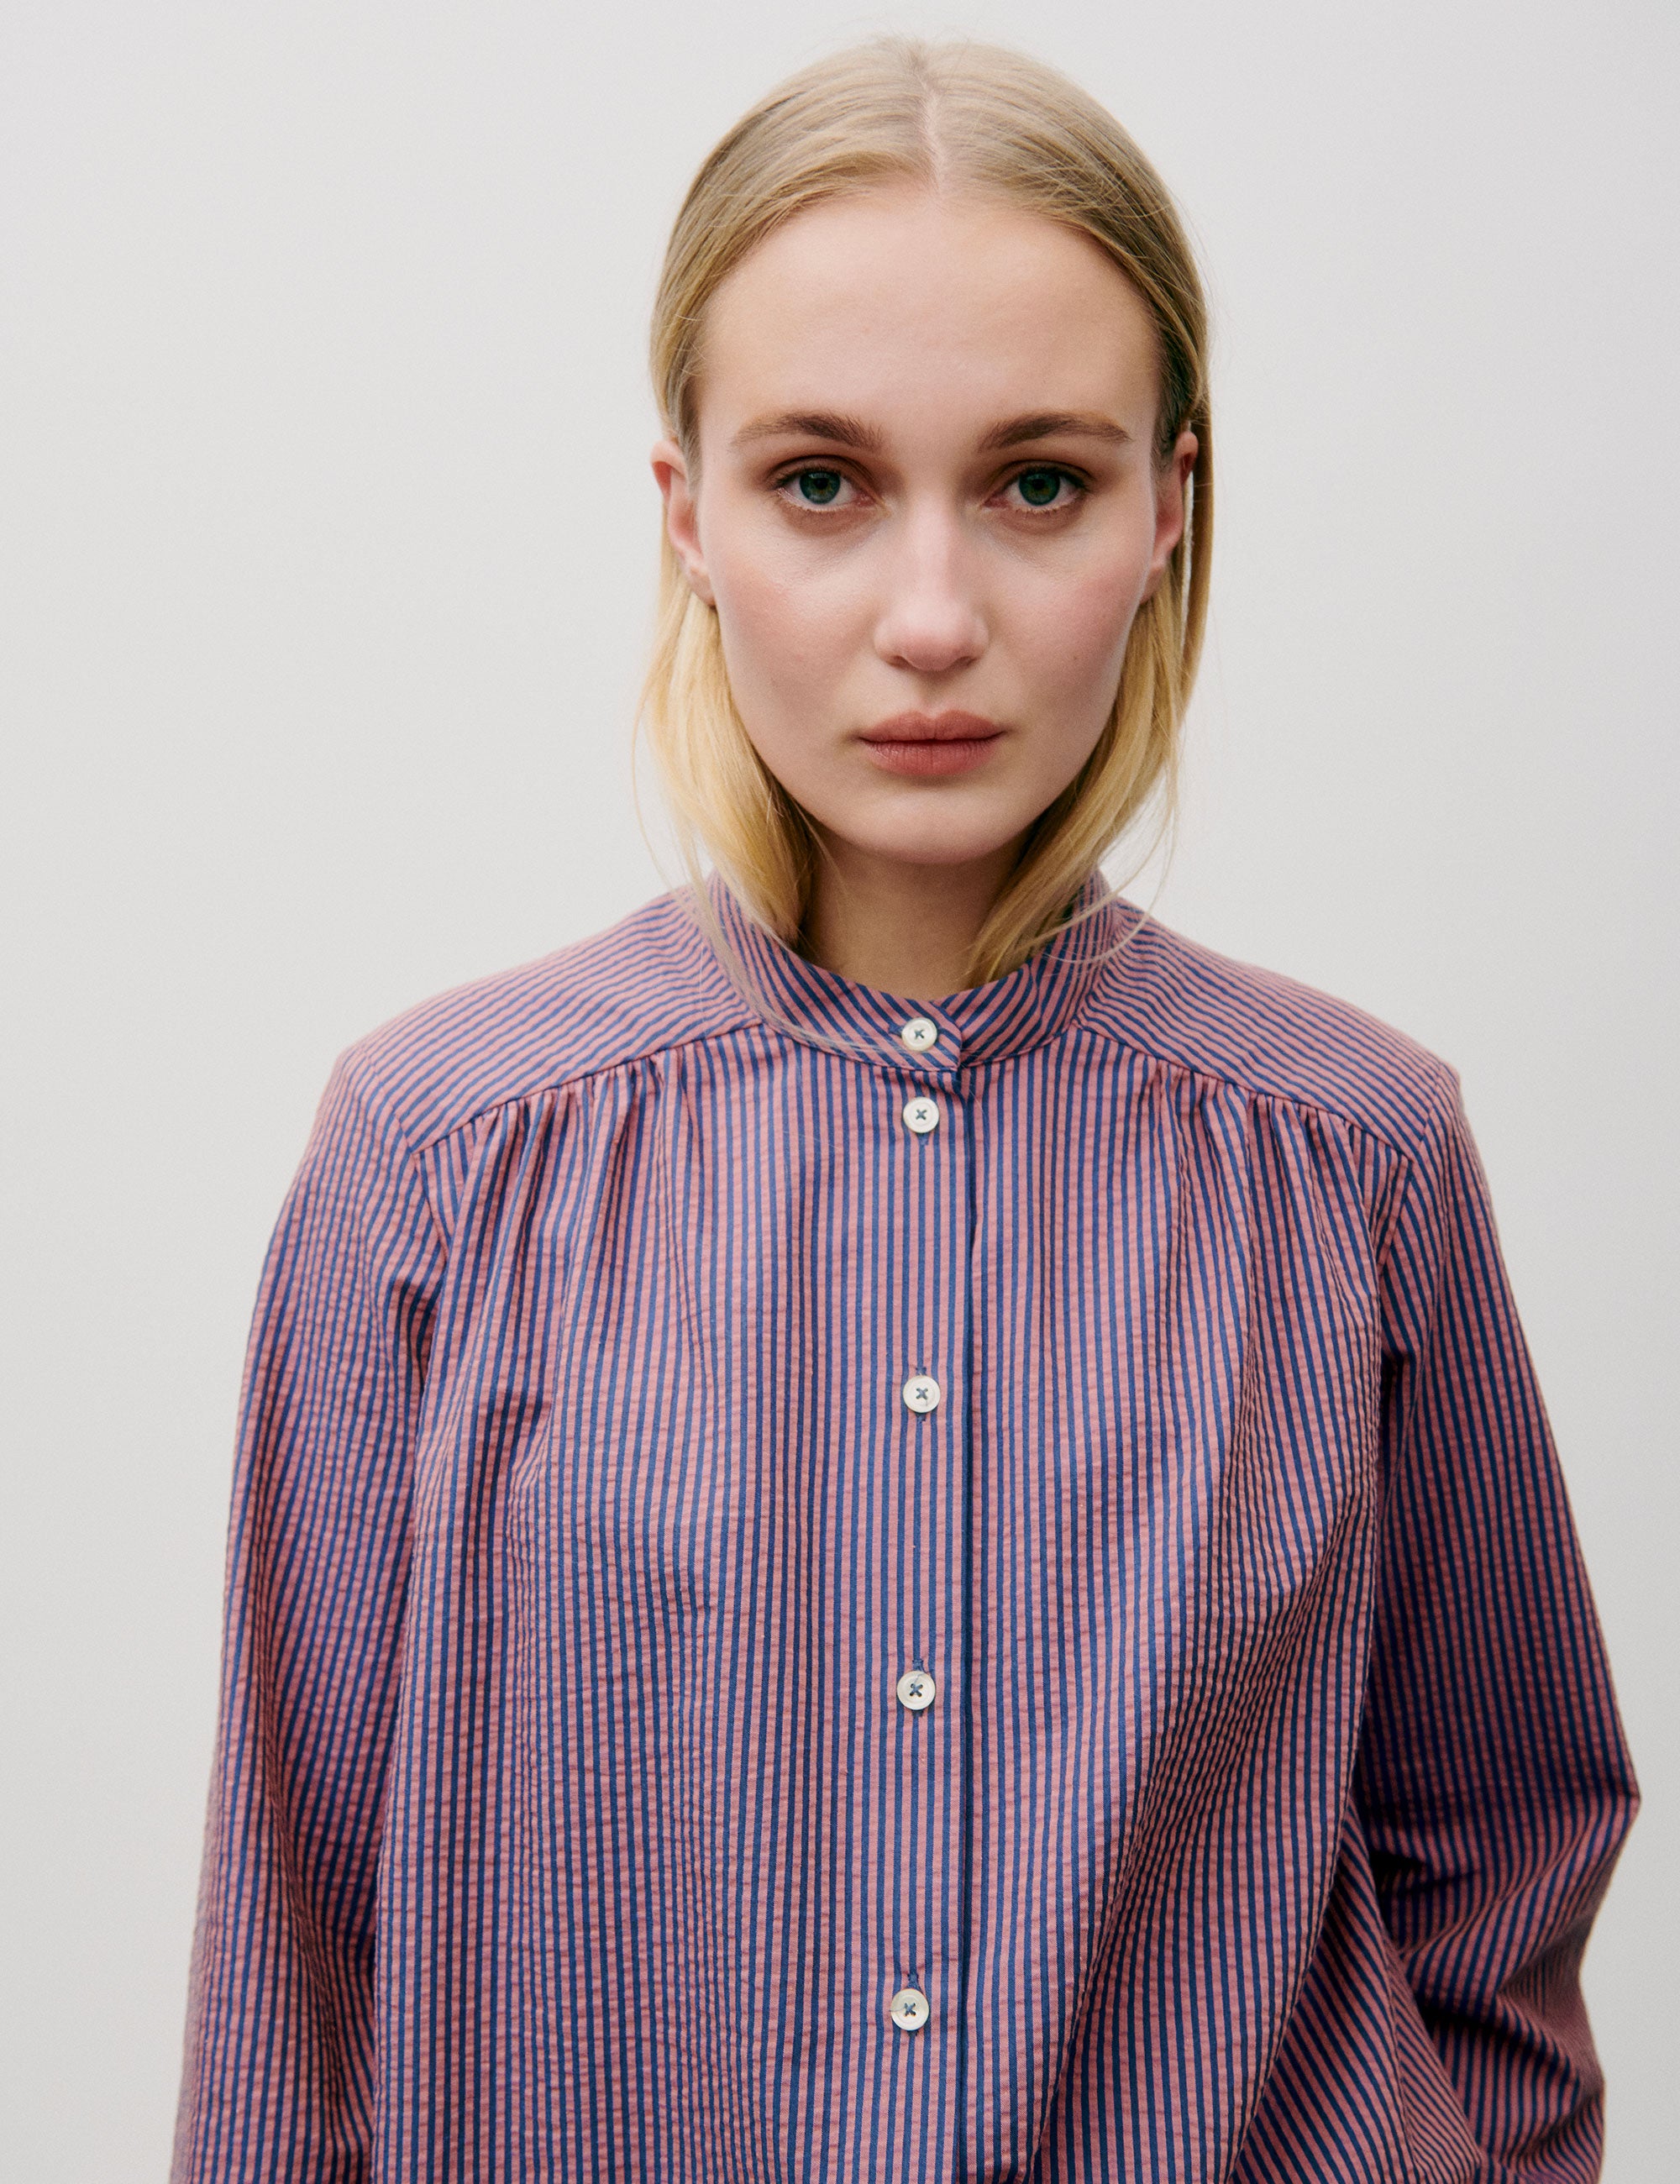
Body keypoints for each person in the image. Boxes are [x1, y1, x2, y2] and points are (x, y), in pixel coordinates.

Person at [171, 35, 1637, 2183]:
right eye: (822, 483)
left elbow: (1503, 1865)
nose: (932, 619)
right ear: (687, 514)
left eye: (1037, 480)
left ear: (1168, 507)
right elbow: (288, 1986)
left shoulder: (1357, 1156)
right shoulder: (438, 1161)